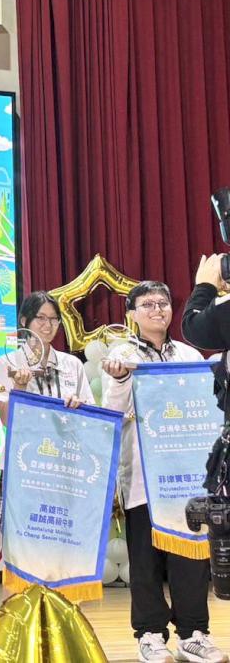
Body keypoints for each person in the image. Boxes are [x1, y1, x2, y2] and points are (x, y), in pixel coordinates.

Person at [103, 281, 226, 663]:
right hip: (144, 477)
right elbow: (112, 412)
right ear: (131, 314)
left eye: (163, 303)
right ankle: (151, 634)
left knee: (193, 559)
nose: (157, 309)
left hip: (187, 478)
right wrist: (120, 380)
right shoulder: (121, 356)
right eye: (147, 304)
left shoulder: (189, 354)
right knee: (145, 562)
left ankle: (193, 633)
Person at [0, 291, 91, 597]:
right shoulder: (7, 362)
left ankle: (63, 616)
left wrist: (78, 408)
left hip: (63, 469)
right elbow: (7, 419)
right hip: (24, 469)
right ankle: (17, 618)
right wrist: (19, 386)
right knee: (19, 550)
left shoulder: (72, 365)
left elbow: (90, 419)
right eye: (40, 319)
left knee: (64, 547)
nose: (48, 326)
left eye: (54, 320)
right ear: (24, 321)